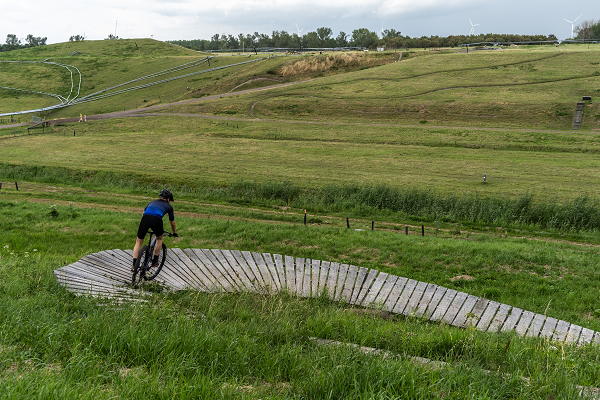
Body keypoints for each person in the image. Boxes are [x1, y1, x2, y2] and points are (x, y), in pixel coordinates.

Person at [132, 189, 178, 270]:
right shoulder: (169, 207)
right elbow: (172, 222)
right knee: (159, 238)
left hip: (145, 219)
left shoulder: (152, 202)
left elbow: (143, 214)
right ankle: (155, 261)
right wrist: (174, 232)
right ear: (168, 198)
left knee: (139, 241)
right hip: (157, 219)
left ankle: (134, 265)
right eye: (170, 200)